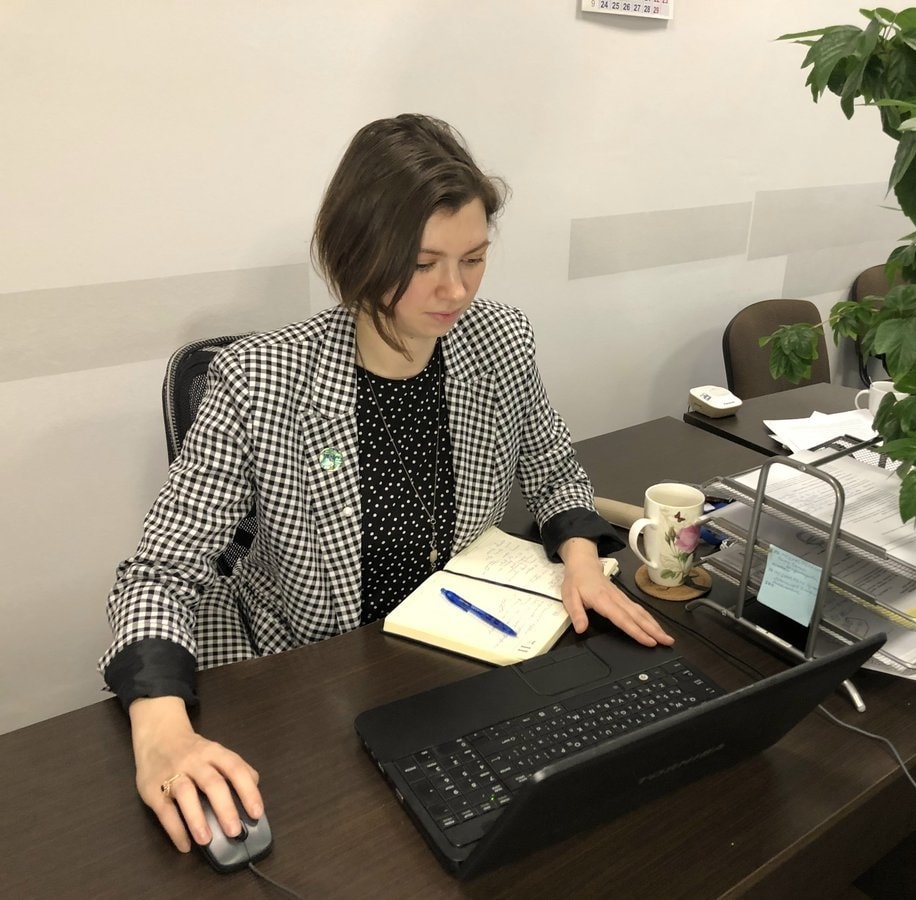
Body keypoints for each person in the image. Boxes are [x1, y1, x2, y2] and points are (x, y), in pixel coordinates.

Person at [99, 113, 673, 855]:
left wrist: (584, 560)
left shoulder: (499, 342)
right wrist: (161, 732)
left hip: (461, 662)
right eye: (424, 262)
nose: (455, 290)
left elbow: (554, 467)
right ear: (358, 251)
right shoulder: (260, 379)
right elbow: (157, 574)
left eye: (474, 259)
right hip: (314, 678)